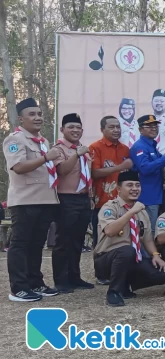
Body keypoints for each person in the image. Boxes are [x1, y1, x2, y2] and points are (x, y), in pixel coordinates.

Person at [3, 98, 60, 302]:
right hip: (25, 201)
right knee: (20, 244)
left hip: (45, 199)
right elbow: (18, 167)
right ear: (21, 119)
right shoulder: (15, 139)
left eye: (39, 114)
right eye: (32, 115)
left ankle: (35, 283)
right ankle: (18, 288)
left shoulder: (43, 142)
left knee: (37, 244)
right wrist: (47, 158)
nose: (38, 118)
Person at [94, 171, 165, 307]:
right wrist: (131, 212)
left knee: (162, 274)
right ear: (119, 189)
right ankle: (113, 292)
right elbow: (109, 231)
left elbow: (147, 239)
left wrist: (155, 255)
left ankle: (126, 285)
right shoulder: (109, 207)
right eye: (130, 185)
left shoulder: (142, 211)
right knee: (126, 250)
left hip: (131, 259)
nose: (135, 189)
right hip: (107, 259)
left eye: (137, 185)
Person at [51, 113, 94, 293]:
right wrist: (76, 154)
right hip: (66, 198)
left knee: (78, 240)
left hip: (83, 198)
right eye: (71, 127)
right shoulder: (59, 149)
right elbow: (62, 171)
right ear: (62, 130)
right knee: (64, 241)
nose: (75, 130)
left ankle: (74, 277)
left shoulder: (83, 149)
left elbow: (87, 175)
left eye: (78, 128)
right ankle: (61, 280)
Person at [130, 115, 165, 233]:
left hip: (156, 195)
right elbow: (145, 168)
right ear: (141, 129)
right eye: (149, 126)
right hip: (147, 197)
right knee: (149, 231)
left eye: (155, 126)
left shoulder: (151, 145)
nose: (154, 128)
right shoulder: (140, 146)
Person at [90, 116, 132, 248]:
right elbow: (94, 173)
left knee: (124, 237)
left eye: (118, 127)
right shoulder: (95, 147)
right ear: (102, 130)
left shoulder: (125, 149)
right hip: (102, 201)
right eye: (111, 127)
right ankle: (100, 267)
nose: (116, 130)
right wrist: (121, 167)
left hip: (124, 201)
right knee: (102, 239)